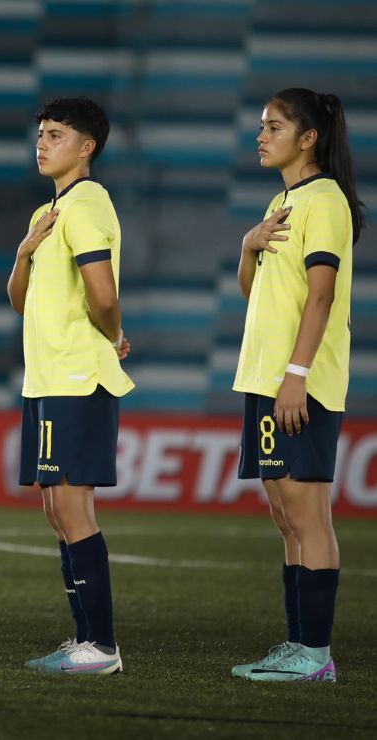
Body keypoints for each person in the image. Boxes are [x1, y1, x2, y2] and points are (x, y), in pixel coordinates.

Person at [230, 88, 363, 683]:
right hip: (265, 376)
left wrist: (297, 377)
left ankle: (316, 655)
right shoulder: (281, 202)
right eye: (262, 126)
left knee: (309, 517)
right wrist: (247, 246)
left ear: (308, 138)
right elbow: (256, 294)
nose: (261, 135)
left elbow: (322, 295)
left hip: (296, 381)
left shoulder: (325, 200)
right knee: (286, 516)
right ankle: (296, 646)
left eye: (273, 126)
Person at [7, 96, 133, 675]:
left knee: (73, 507)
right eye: (41, 133)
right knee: (57, 509)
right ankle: (84, 639)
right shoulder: (46, 213)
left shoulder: (87, 203)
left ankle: (101, 646)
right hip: (49, 376)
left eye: (56, 134)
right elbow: (20, 300)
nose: (42, 142)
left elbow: (102, 294)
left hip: (77, 377)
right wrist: (24, 254)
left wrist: (113, 333)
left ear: (87, 148)